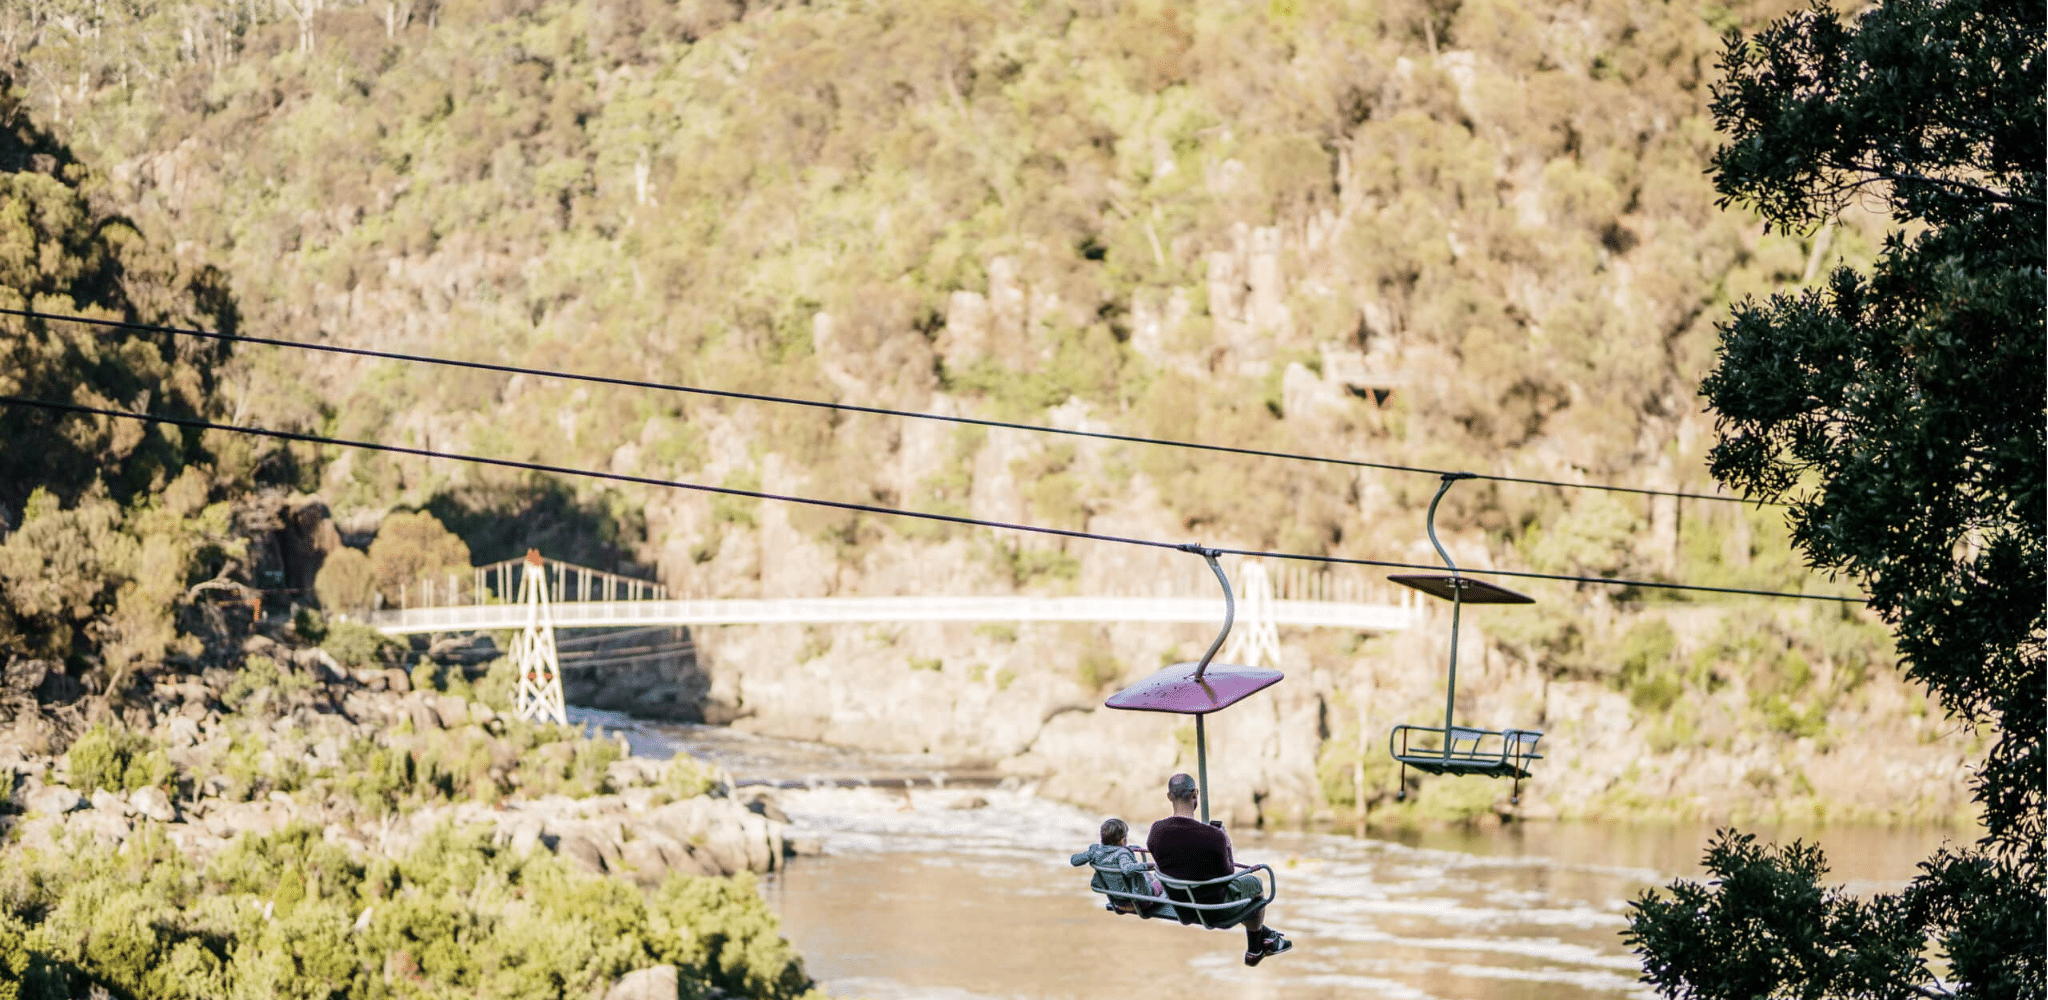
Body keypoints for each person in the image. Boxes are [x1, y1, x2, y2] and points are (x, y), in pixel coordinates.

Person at [1146, 773, 1293, 966]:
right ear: (1195, 794)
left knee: (1240, 896)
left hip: (1181, 905)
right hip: (1213, 910)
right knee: (1255, 884)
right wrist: (1226, 841)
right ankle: (1255, 948)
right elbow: (1228, 875)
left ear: (1169, 796)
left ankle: (1265, 936)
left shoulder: (1156, 831)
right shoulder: (1214, 837)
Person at [1071, 818, 1165, 915]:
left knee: (1146, 876)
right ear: (1123, 839)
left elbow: (1074, 861)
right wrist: (1151, 865)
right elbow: (1128, 869)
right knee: (1161, 882)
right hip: (1141, 903)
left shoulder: (1095, 851)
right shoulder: (1122, 854)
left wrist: (1089, 854)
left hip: (1117, 902)